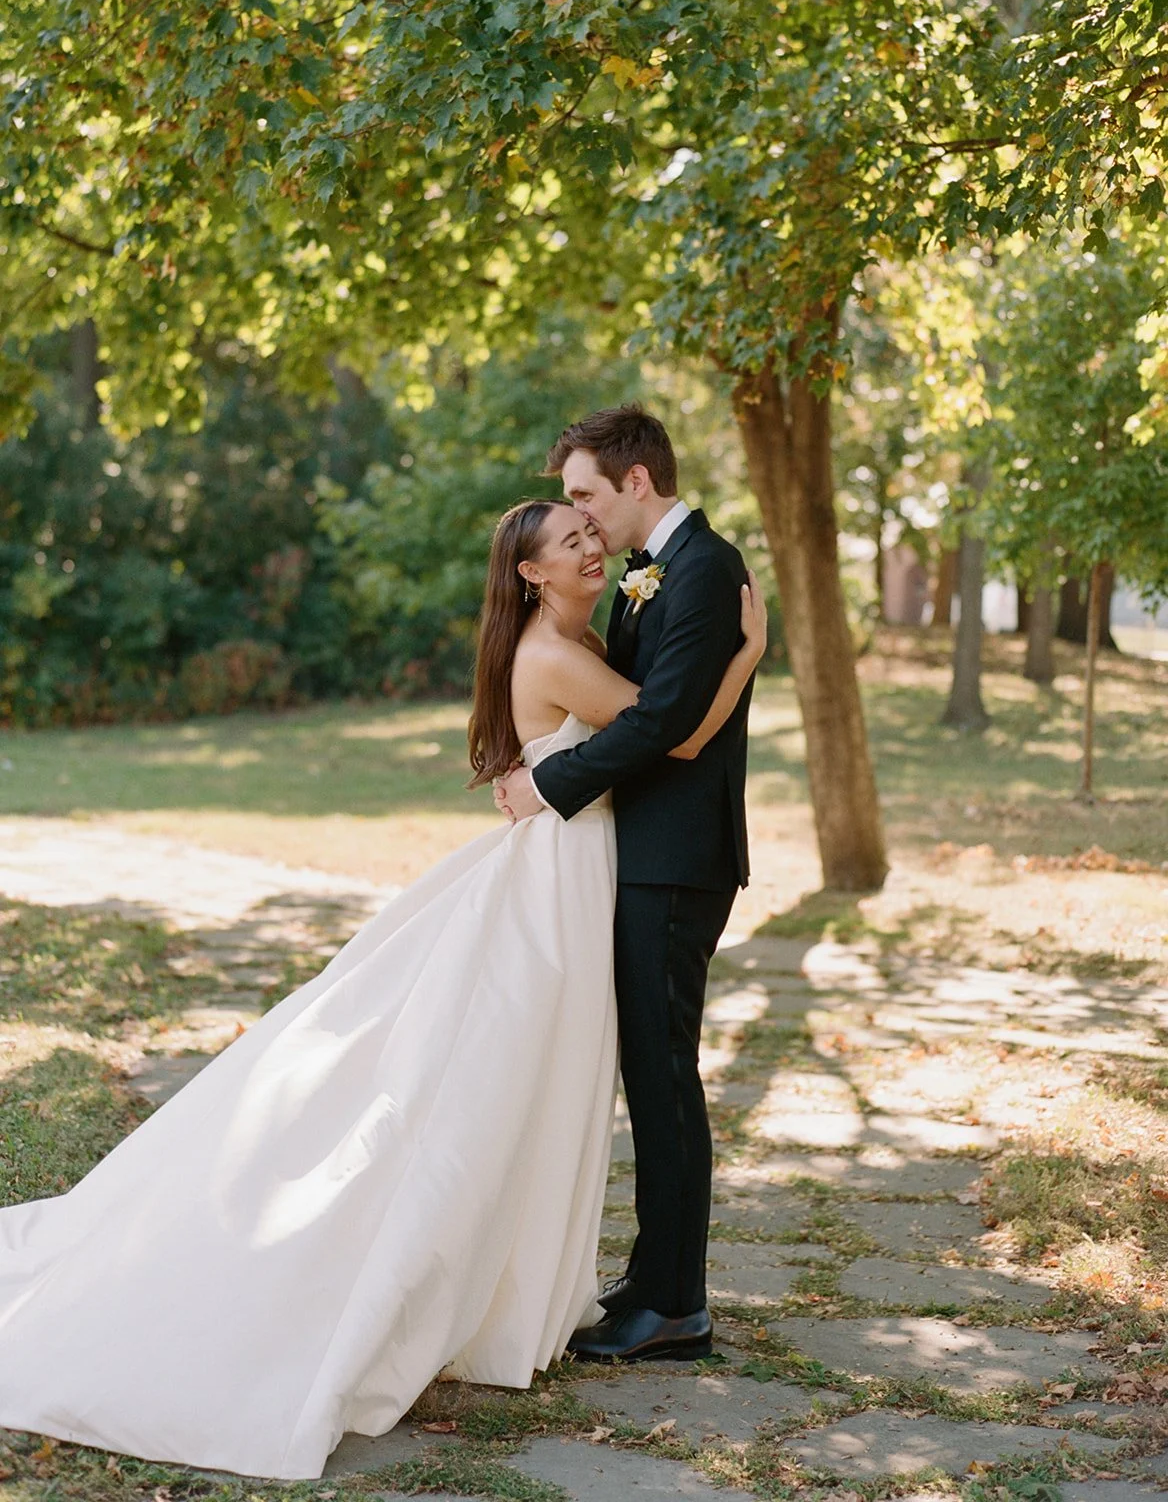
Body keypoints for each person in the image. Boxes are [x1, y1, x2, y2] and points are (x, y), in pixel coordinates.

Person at [0, 493, 764, 1480]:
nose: (591, 547)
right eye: (569, 541)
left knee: (537, 1083)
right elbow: (677, 730)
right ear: (530, 573)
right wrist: (741, 658)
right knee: (500, 1086)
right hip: (554, 884)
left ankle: (512, 1286)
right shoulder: (553, 651)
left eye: (591, 533)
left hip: (567, 871)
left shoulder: (562, 637)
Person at [495, 405, 755, 1365]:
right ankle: (654, 1280)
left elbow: (664, 727)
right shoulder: (654, 575)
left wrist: (545, 786)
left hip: (677, 861)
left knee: (663, 1076)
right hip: (640, 855)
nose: (584, 518)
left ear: (635, 482)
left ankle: (676, 1304)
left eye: (585, 497)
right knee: (649, 1074)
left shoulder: (702, 569)